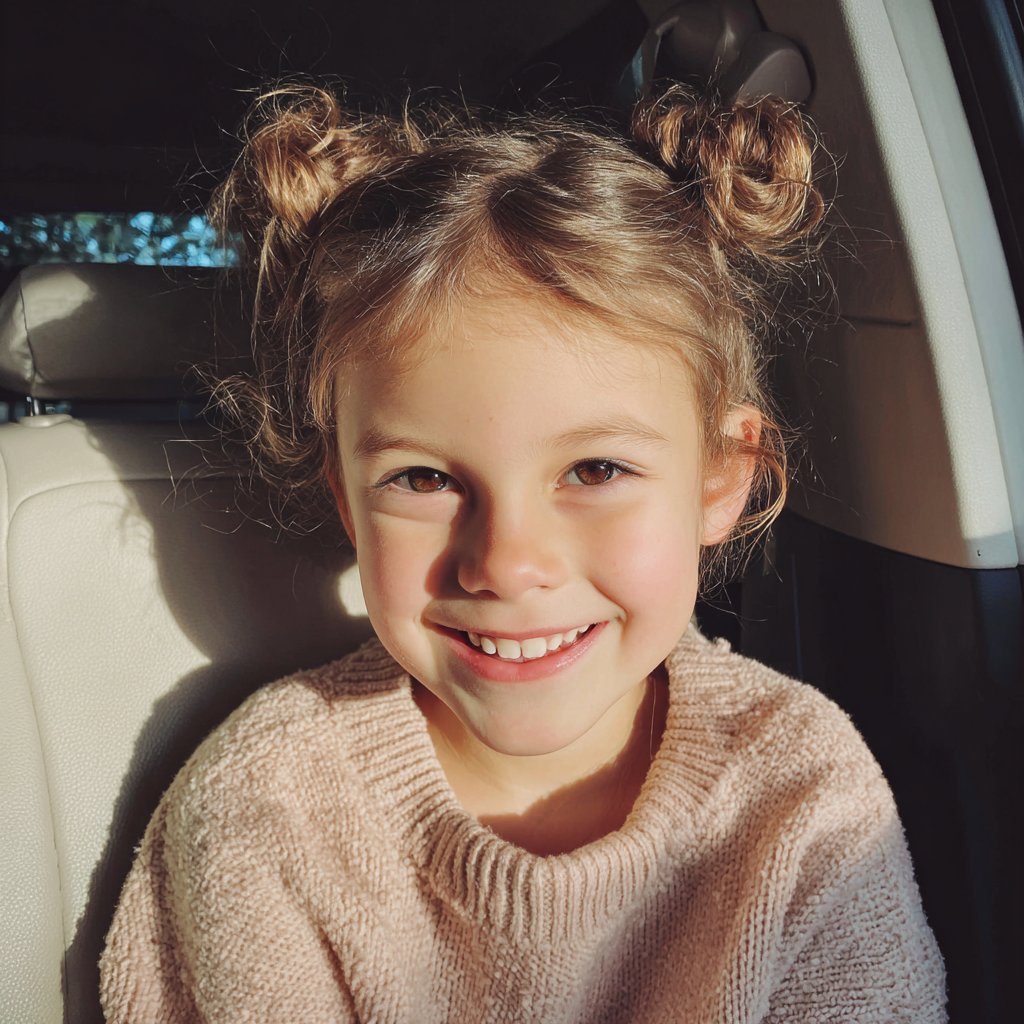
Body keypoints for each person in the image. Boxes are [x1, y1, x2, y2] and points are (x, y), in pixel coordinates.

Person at [99, 83, 946, 1022]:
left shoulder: (801, 792)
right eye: (423, 480)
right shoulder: (267, 807)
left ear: (720, 478)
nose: (505, 563)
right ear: (346, 497)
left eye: (594, 469)